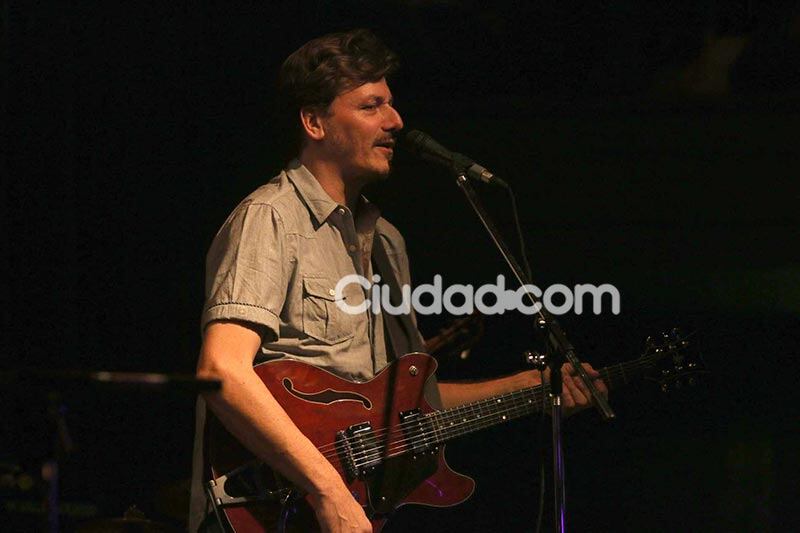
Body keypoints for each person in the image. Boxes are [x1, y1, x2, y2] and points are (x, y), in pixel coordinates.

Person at [189, 29, 607, 533]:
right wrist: (327, 489)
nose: (396, 122)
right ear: (314, 122)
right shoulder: (270, 218)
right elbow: (222, 371)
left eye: (392, 105)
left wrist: (532, 387)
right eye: (372, 106)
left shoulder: (387, 243)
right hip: (275, 510)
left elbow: (408, 402)